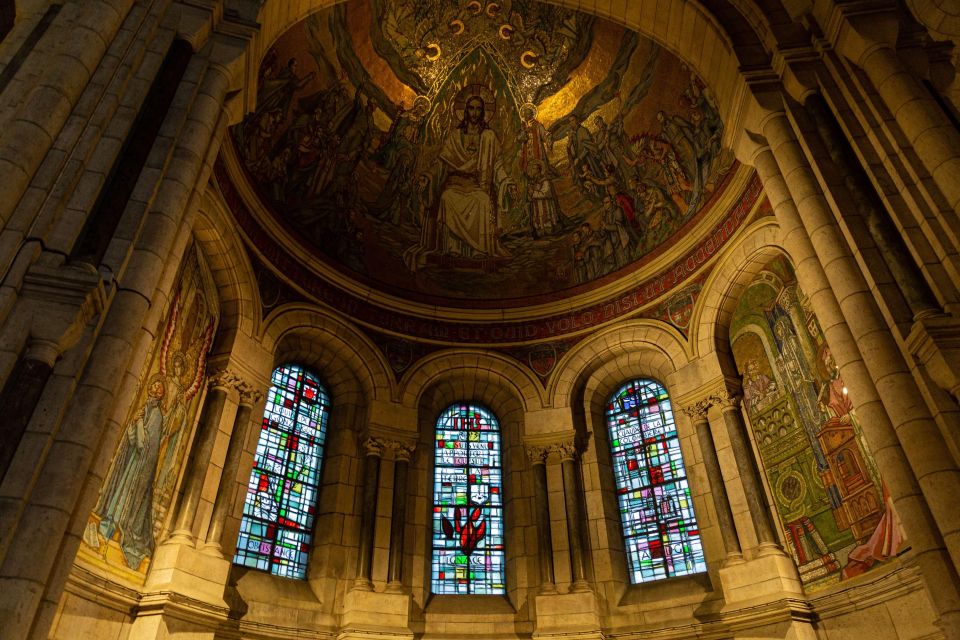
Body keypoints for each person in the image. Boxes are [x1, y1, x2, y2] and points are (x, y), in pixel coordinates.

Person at [435, 94, 509, 257]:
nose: (474, 112)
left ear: (483, 112)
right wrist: (427, 176)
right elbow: (442, 163)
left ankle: (479, 248)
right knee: (447, 197)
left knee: (482, 200)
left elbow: (497, 164)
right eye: (471, 108)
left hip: (477, 185)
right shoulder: (455, 136)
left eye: (478, 109)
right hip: (456, 184)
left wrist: (505, 180)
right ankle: (453, 248)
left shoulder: (489, 137)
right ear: (465, 110)